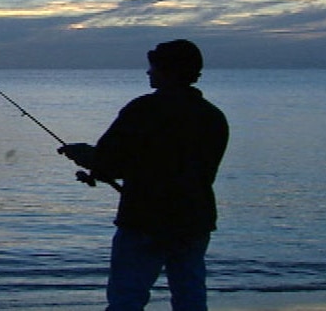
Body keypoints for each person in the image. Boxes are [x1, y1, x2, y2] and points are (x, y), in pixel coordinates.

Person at [59, 39, 229, 311]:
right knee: (190, 296)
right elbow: (184, 168)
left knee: (127, 297)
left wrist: (85, 156)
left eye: (153, 68)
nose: (148, 73)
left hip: (145, 220)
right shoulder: (213, 116)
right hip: (195, 220)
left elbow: (111, 162)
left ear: (168, 71)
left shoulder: (143, 109)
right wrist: (99, 165)